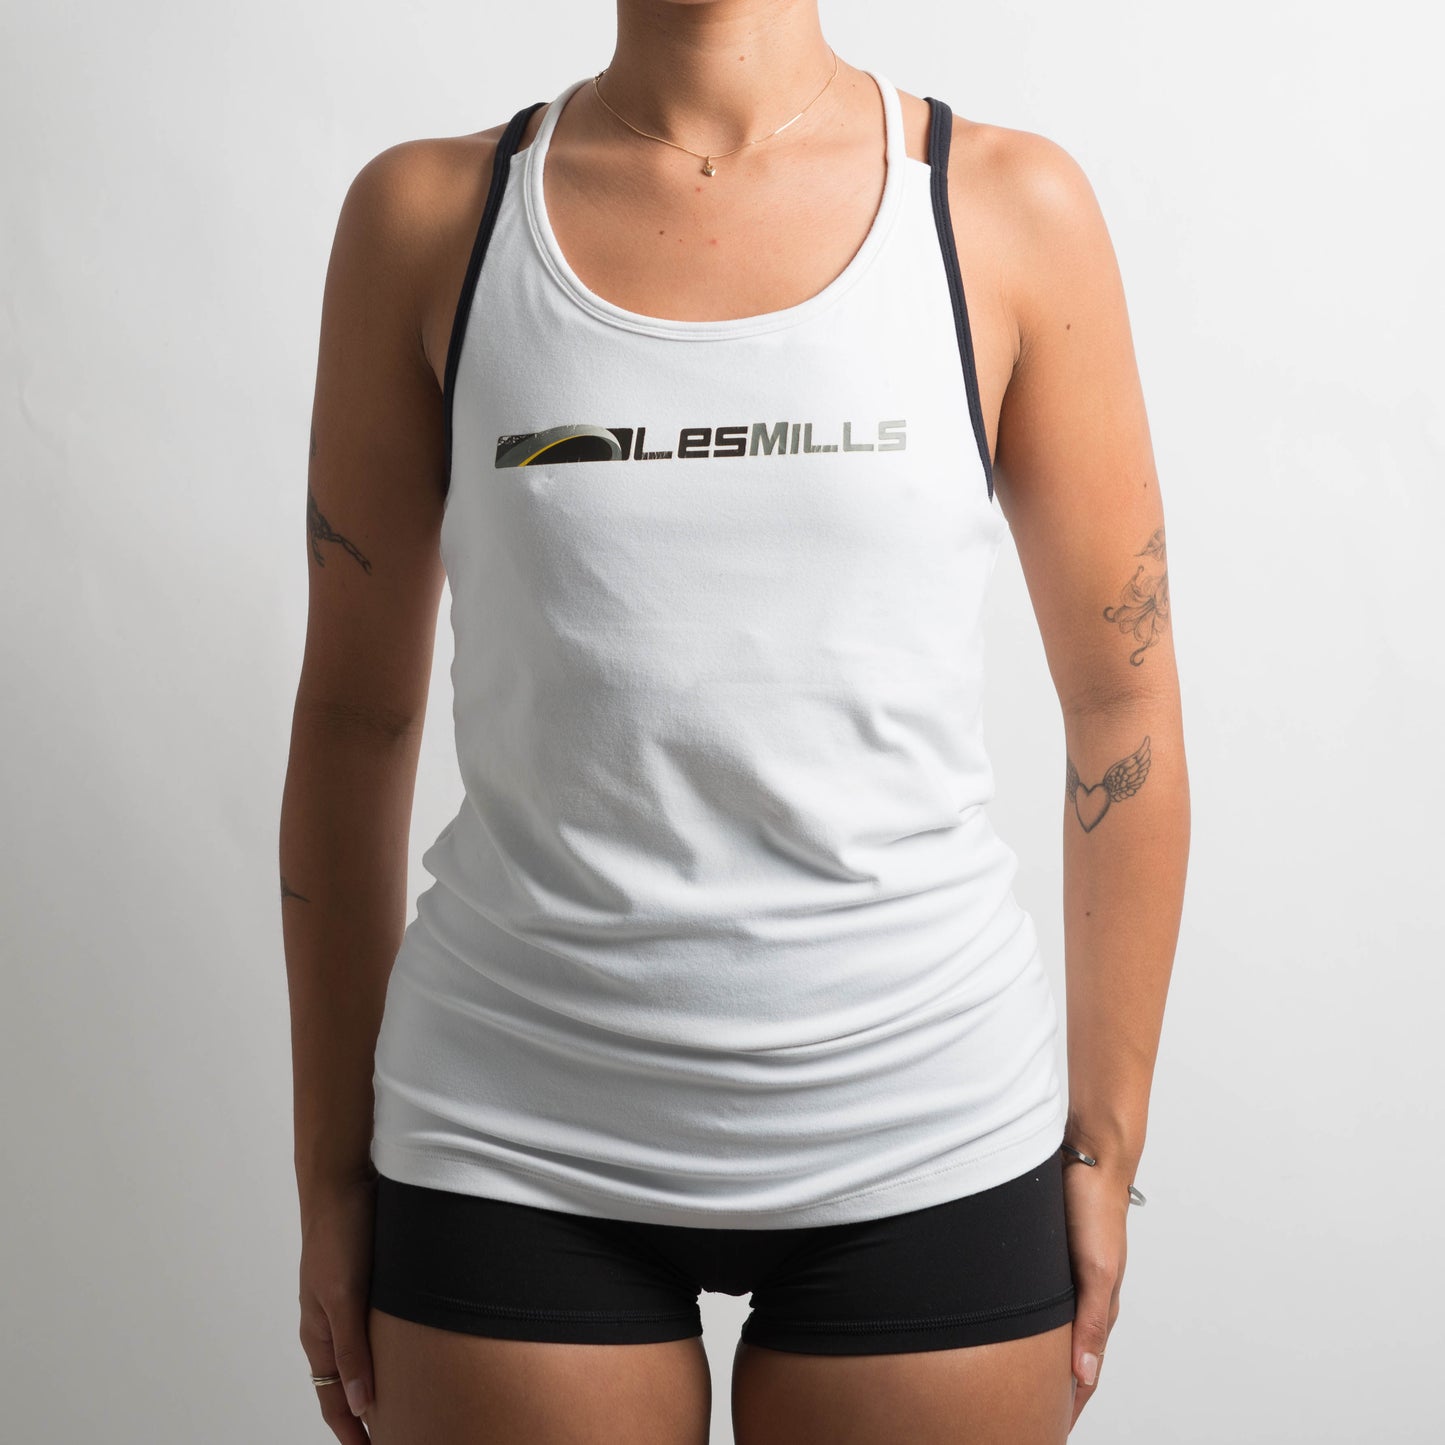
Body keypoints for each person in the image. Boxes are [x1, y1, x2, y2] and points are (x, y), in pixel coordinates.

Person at [280, 3, 1189, 1442]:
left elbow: (1119, 701)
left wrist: (1106, 1141)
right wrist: (330, 1168)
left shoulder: (1001, 209)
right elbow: (352, 718)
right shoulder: (431, 220)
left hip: (925, 1120)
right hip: (510, 1127)